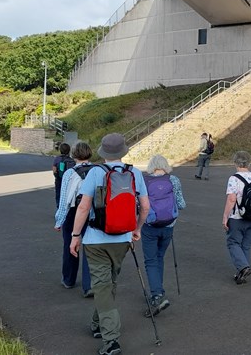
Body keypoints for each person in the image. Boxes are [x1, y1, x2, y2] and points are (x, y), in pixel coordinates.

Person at [69, 133, 150, 355]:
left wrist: (75, 236)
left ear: (103, 152)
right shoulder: (134, 173)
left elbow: (84, 207)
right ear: (123, 151)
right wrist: (137, 229)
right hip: (123, 239)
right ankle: (97, 325)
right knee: (108, 284)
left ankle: (111, 340)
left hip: (96, 240)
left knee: (103, 286)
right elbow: (145, 206)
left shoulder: (95, 172)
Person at [141, 154, 186, 317]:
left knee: (150, 260)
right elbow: (181, 204)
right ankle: (158, 288)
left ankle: (157, 294)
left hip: (149, 226)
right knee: (159, 257)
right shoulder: (173, 180)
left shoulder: (144, 181)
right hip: (168, 226)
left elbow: (140, 206)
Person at [54, 141, 94, 296]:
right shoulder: (97, 170)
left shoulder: (70, 173)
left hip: (73, 211)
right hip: (93, 211)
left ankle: (69, 279)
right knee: (91, 247)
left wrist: (59, 220)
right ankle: (89, 284)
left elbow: (65, 199)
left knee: (71, 245)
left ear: (74, 154)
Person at [222, 151, 251, 285]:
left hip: (237, 217)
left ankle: (243, 267)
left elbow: (232, 199)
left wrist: (225, 216)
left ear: (235, 163)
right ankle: (241, 273)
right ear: (249, 163)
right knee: (246, 245)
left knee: (233, 243)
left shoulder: (234, 178)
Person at [52, 142, 75, 207]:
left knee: (58, 194)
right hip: (69, 180)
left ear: (60, 150)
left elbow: (54, 170)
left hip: (59, 179)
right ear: (69, 150)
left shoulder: (57, 159)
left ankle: (59, 208)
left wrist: (56, 176)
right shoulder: (71, 160)